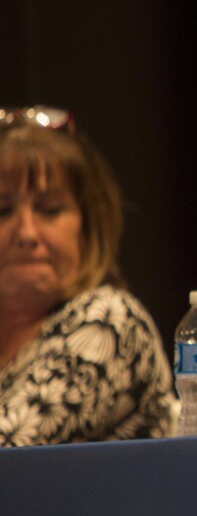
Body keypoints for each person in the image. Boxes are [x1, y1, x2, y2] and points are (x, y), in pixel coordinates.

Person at [0, 106, 176, 446]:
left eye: (49, 210)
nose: (26, 233)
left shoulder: (109, 321)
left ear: (88, 225)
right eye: (3, 210)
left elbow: (12, 443)